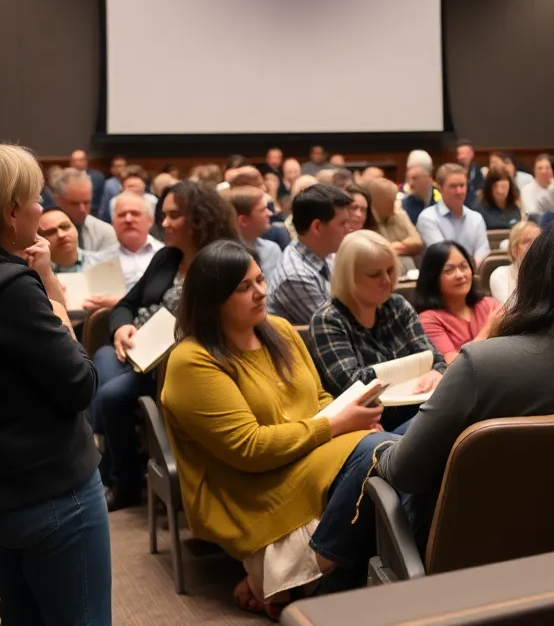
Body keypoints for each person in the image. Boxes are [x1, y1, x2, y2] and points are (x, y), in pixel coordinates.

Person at [370, 216, 554, 532]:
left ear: (534, 278)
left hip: (476, 555)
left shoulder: (481, 364)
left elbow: (404, 473)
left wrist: (376, 447)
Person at [160, 241, 385, 615]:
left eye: (260, 279)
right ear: (213, 300)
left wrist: (348, 414)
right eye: (244, 288)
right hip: (248, 482)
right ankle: (297, 582)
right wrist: (334, 426)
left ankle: (324, 588)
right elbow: (249, 449)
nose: (261, 292)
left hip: (304, 453)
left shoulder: (278, 329)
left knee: (392, 454)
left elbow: (319, 398)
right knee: (376, 456)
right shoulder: (191, 361)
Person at [0, 139, 110, 621]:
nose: (43, 210)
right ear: (9, 213)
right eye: (36, 200)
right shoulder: (10, 290)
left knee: (20, 615)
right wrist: (59, 309)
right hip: (51, 493)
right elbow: (81, 384)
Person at [96, 181, 239, 510]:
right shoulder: (166, 257)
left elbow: (219, 327)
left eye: (175, 215)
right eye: (164, 214)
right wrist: (121, 328)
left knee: (109, 396)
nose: (165, 223)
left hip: (172, 362)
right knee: (102, 360)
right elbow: (125, 304)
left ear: (200, 218)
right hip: (135, 349)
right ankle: (120, 472)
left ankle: (121, 480)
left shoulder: (221, 261)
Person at [309, 231, 445, 403]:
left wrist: (435, 372)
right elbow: (353, 387)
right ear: (349, 277)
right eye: (374, 274)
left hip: (419, 405)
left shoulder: (397, 305)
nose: (387, 281)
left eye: (390, 270)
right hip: (373, 421)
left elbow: (435, 359)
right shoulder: (328, 321)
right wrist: (417, 368)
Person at [269, 184, 354, 325]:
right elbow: (335, 328)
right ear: (317, 227)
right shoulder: (296, 276)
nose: (349, 229)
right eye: (342, 223)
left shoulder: (326, 253)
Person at [414, 242, 502, 363]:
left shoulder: (489, 305)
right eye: (449, 270)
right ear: (433, 277)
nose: (460, 275)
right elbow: (453, 364)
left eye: (464, 267)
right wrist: (488, 329)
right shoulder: (428, 320)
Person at [86, 192, 166, 308]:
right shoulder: (98, 261)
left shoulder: (168, 256)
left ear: (150, 220)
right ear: (113, 223)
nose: (128, 219)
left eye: (135, 213)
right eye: (122, 215)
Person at [416, 164, 490, 266]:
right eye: (453, 186)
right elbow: (442, 256)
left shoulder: (476, 218)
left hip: (473, 275)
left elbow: (482, 253)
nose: (459, 191)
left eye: (462, 185)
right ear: (439, 188)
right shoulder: (427, 218)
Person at [52, 167, 117, 252]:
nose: (82, 209)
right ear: (58, 201)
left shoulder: (105, 232)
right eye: (75, 203)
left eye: (86, 203)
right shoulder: (44, 233)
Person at [366, 179, 423, 273]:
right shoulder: (366, 222)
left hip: (410, 274)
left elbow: (418, 243)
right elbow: (372, 255)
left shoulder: (400, 215)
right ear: (377, 201)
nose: (395, 203)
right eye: (391, 200)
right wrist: (405, 246)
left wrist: (387, 248)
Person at [224, 187, 283, 279]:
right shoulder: (221, 258)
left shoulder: (272, 249)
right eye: (263, 210)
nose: (270, 213)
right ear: (243, 220)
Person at [488, 220, 540, 303]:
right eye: (528, 242)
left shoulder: (550, 273)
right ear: (514, 249)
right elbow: (512, 311)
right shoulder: (500, 275)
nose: (535, 246)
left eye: (539, 241)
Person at [38, 206, 92, 274]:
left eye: (65, 226)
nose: (61, 235)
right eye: (50, 232)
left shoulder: (103, 263)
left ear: (76, 228)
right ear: (39, 239)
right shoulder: (37, 276)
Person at [455, 140, 485, 208]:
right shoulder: (453, 171)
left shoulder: (477, 170)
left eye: (465, 153)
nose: (462, 157)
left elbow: (481, 190)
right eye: (460, 154)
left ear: (472, 154)